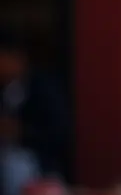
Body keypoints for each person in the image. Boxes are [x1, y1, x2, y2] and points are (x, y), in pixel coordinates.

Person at [0, 29, 72, 180]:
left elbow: (59, 133)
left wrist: (20, 131)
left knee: (14, 167)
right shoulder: (4, 88)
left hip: (39, 167)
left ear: (16, 57)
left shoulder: (44, 89)